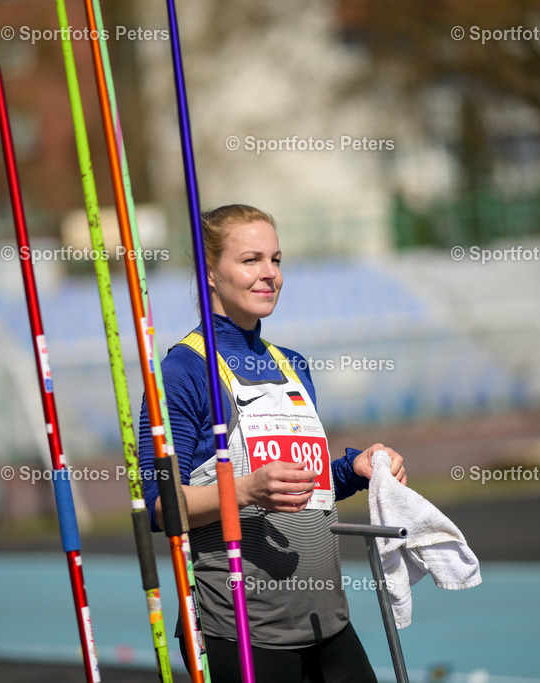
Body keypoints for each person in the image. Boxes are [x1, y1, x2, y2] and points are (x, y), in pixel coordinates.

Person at [137, 204, 407, 682]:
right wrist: (243, 491)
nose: (270, 275)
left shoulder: (292, 364)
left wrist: (354, 468)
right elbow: (161, 507)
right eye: (251, 260)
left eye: (276, 259)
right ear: (210, 274)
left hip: (327, 622)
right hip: (244, 631)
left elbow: (308, 485)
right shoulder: (182, 372)